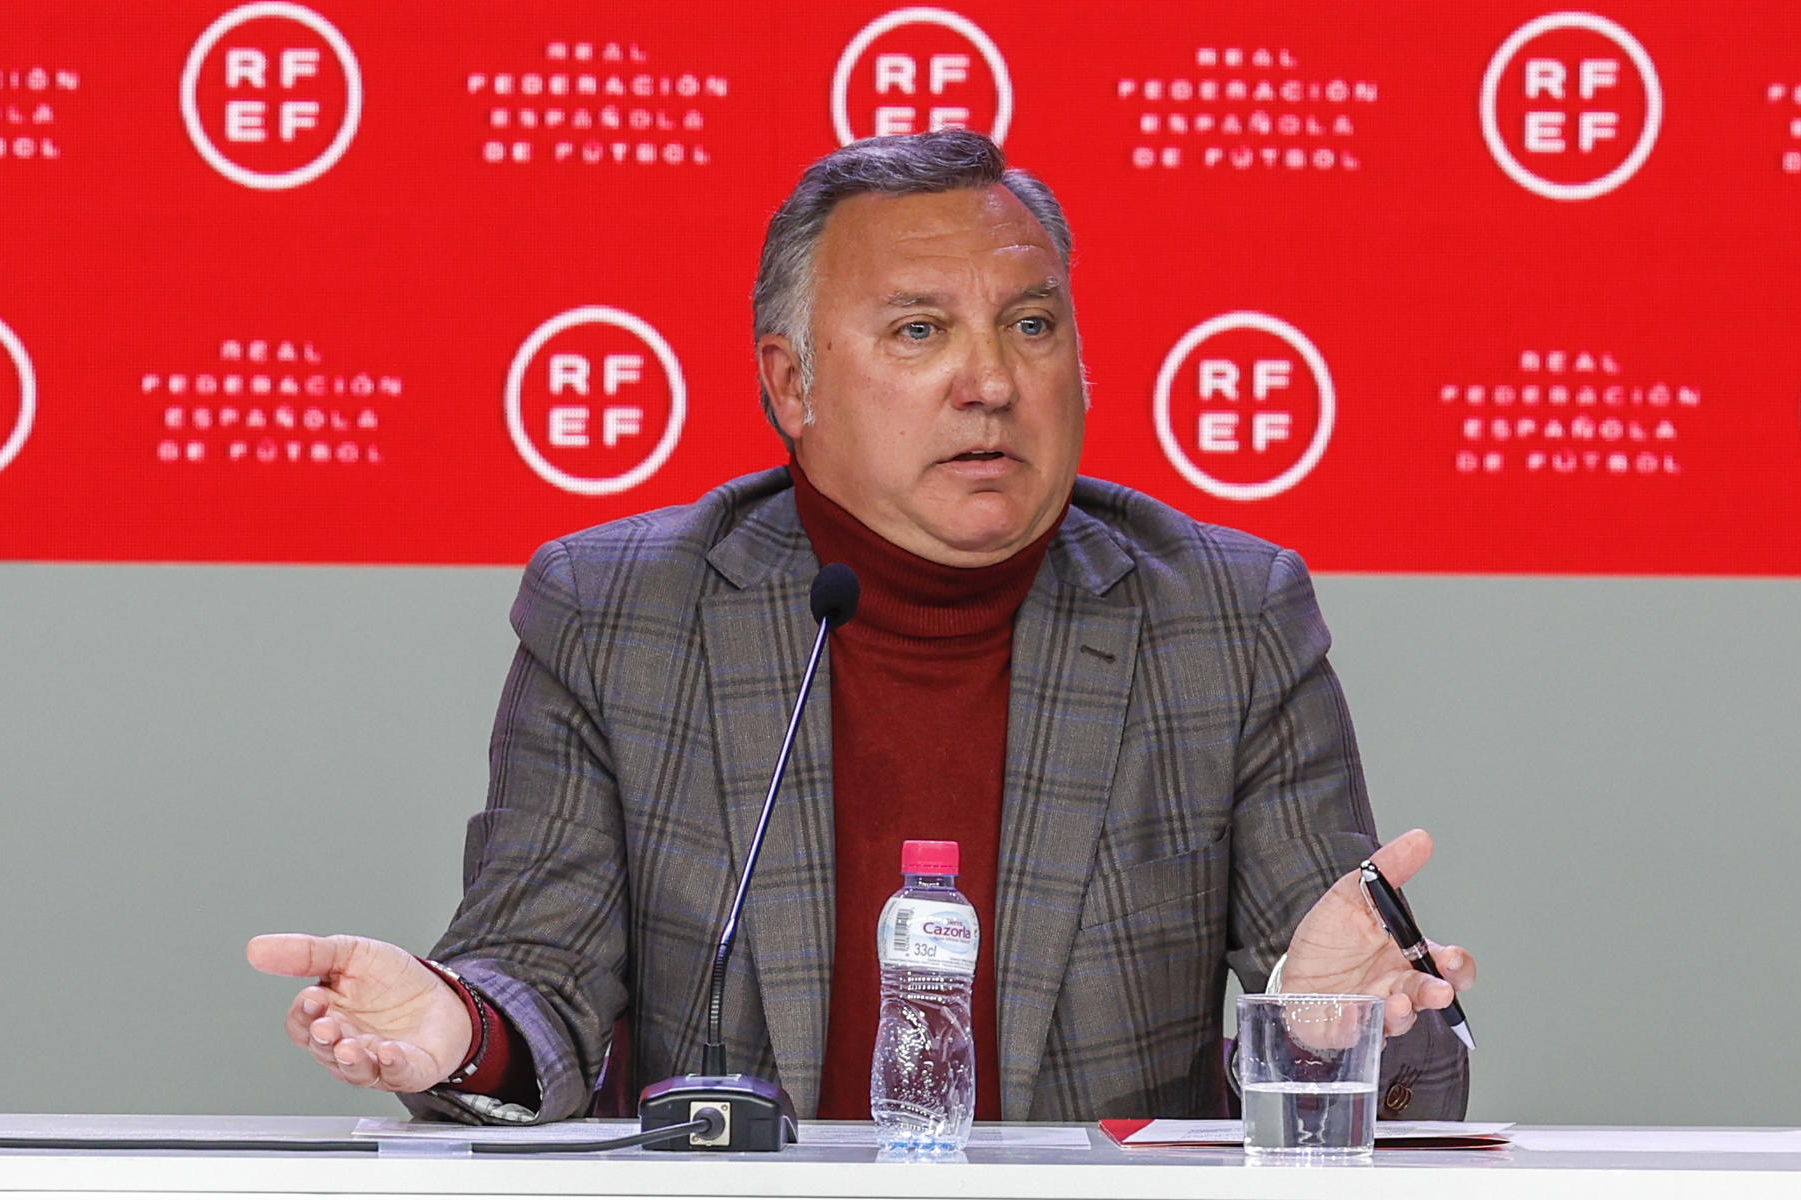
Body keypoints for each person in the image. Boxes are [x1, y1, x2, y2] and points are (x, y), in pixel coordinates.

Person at [249, 131, 1475, 1126]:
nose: (990, 380)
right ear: (792, 384)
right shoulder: (622, 611)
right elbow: (540, 978)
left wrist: (1331, 1033)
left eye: (1032, 326)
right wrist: (464, 1033)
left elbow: (1376, 1065)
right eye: (919, 331)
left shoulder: (1222, 616)